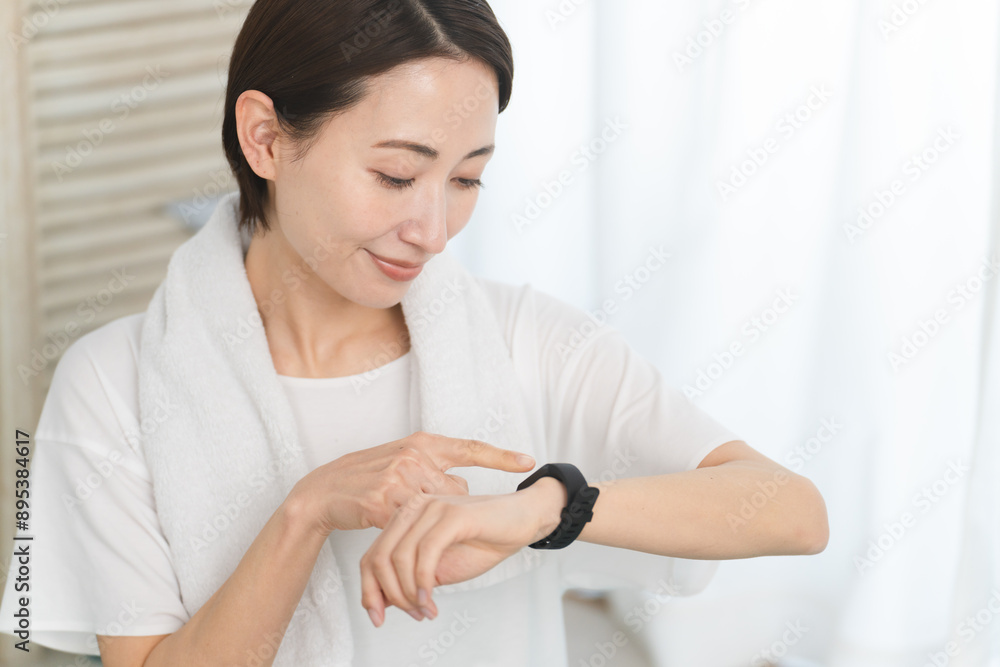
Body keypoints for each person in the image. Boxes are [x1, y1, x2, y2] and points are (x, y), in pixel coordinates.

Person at [0, 1, 829, 665]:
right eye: (396, 175)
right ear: (266, 138)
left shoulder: (522, 340)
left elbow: (792, 511)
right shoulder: (112, 384)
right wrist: (305, 512)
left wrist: (542, 507)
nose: (433, 231)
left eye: (466, 178)